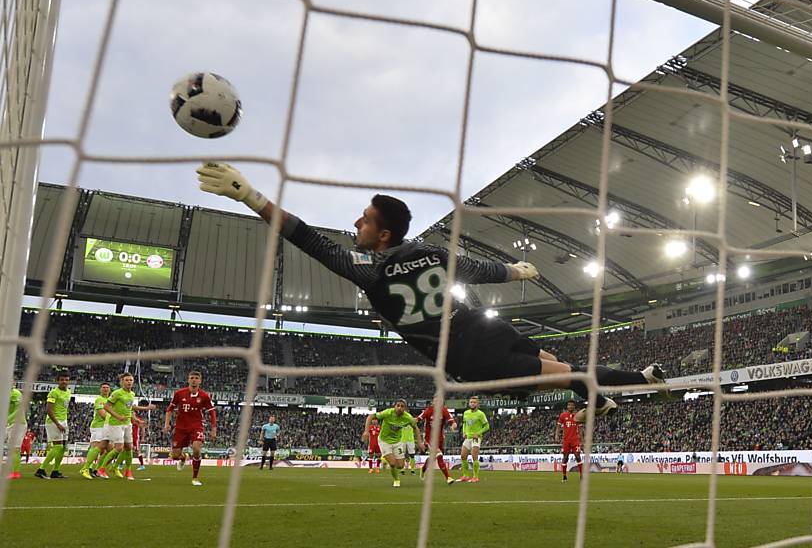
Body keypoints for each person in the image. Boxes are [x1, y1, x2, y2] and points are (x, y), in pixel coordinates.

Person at [197, 163, 665, 421]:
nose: (356, 223)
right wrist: (515, 271)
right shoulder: (427, 251)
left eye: (364, 219)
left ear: (382, 236)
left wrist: (252, 197)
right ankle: (616, 391)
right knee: (564, 369)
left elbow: (309, 240)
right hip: (484, 327)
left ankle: (636, 384)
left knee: (570, 375)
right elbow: (476, 268)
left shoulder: (368, 269)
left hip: (466, 354)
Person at [163, 371, 217, 486]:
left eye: (196, 378)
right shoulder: (179, 393)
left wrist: (213, 429)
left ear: (200, 381)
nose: (194, 380)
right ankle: (183, 458)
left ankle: (195, 478)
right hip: (180, 428)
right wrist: (167, 424)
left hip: (196, 426)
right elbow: (169, 409)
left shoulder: (204, 396)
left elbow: (212, 412)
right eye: (192, 378)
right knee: (175, 456)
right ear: (188, 380)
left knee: (196, 449)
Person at [98, 373, 155, 480]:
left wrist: (138, 418)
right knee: (119, 447)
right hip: (115, 424)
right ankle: (101, 469)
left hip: (127, 424)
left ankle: (128, 471)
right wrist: (118, 416)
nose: (129, 382)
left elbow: (130, 408)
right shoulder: (117, 393)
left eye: (131, 380)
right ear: (122, 382)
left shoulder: (132, 394)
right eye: (127, 380)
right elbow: (106, 406)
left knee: (129, 448)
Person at [361, 400, 424, 488]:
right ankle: (396, 479)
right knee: (393, 463)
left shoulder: (408, 417)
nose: (399, 408)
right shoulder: (388, 413)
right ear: (394, 406)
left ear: (405, 409)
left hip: (397, 442)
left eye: (402, 406)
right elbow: (371, 416)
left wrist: (420, 442)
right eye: (398, 405)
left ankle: (384, 460)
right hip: (384, 441)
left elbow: (416, 428)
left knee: (400, 465)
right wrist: (366, 431)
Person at [36, 372, 71, 479]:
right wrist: (57, 423)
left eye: (66, 379)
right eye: (62, 380)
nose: (64, 382)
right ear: (58, 381)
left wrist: (64, 423)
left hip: (64, 421)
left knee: (63, 447)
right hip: (54, 422)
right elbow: (49, 410)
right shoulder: (53, 393)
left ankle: (55, 471)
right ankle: (41, 469)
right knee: (58, 446)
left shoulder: (69, 392)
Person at [415, 400, 458, 485]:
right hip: (429, 438)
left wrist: (453, 425)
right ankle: (448, 477)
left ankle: (423, 468)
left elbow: (452, 421)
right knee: (439, 455)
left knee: (433, 458)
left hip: (440, 438)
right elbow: (418, 419)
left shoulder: (444, 410)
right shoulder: (429, 410)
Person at [80, 383, 111, 479]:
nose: (105, 389)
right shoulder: (99, 400)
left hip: (107, 427)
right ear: (100, 389)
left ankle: (97, 470)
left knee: (109, 449)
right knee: (96, 447)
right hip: (98, 426)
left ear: (110, 389)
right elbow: (103, 415)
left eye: (107, 387)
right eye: (103, 387)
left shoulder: (110, 401)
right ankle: (87, 469)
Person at [460, 396, 488, 483]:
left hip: (476, 438)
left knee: (474, 456)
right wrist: (464, 432)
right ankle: (465, 476)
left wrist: (478, 433)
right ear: (469, 403)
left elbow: (487, 426)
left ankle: (475, 477)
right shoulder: (466, 413)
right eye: (471, 402)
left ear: (477, 404)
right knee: (463, 456)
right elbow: (464, 424)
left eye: (474, 402)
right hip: (468, 438)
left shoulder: (480, 414)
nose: (472, 403)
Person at [555, 400, 582, 483]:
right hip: (566, 440)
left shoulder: (578, 416)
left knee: (578, 456)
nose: (570, 406)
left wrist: (582, 439)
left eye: (572, 405)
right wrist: (556, 435)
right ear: (567, 406)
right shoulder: (563, 415)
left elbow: (580, 428)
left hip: (575, 439)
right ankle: (564, 476)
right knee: (565, 458)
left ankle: (581, 475)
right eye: (569, 405)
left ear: (574, 406)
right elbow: (558, 426)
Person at [5, 386, 26, 480]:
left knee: (15, 449)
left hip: (18, 424)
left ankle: (15, 473)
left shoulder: (16, 393)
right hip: (9, 424)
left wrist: (7, 419)